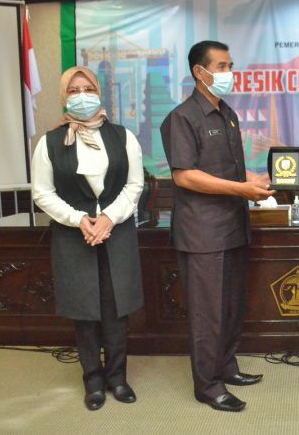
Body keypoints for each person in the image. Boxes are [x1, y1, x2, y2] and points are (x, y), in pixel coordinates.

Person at [160, 40, 274, 412]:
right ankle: (208, 386)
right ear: (200, 72)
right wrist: (242, 189)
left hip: (233, 227)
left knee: (230, 307)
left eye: (230, 65)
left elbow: (228, 170)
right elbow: (185, 176)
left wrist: (255, 180)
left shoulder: (228, 113)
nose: (229, 73)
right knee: (207, 313)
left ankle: (226, 367)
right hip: (203, 233)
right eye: (222, 66)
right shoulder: (182, 117)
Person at [31, 66, 145, 411]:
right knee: (85, 312)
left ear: (99, 92)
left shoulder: (124, 137)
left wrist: (109, 218)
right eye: (74, 90)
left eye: (88, 88)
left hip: (117, 232)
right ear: (64, 97)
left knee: (116, 310)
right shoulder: (50, 142)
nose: (82, 96)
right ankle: (93, 382)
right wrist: (79, 219)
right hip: (73, 236)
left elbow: (134, 185)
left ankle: (118, 378)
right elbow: (42, 192)